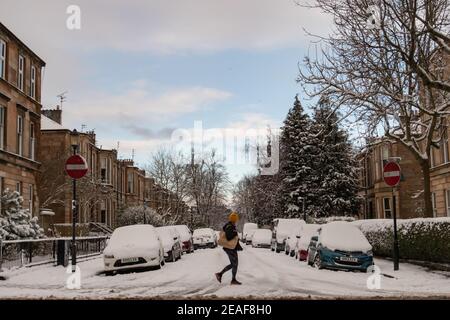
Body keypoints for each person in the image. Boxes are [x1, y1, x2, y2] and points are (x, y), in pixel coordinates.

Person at [215, 212, 243, 285]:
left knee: (234, 264)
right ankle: (221, 275)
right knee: (234, 264)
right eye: (236, 219)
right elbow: (229, 237)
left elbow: (233, 238)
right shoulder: (229, 226)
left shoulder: (230, 226)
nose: (236, 221)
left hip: (231, 248)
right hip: (229, 248)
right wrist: (235, 232)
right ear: (234, 219)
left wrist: (238, 246)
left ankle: (227, 277)